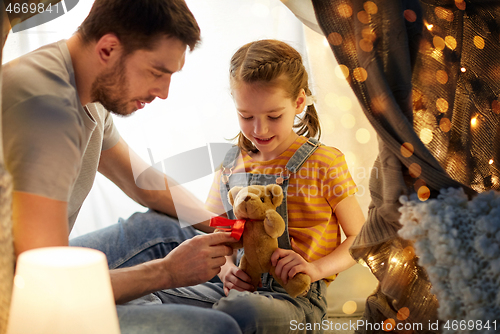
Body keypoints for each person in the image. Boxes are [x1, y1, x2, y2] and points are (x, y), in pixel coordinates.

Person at [2, 0, 242, 333]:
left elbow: (143, 182)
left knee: (169, 229)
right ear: (108, 48)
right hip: (16, 295)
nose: (164, 92)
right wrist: (166, 272)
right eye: (158, 72)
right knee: (219, 328)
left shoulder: (84, 87)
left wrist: (229, 227)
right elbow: (51, 284)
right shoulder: (47, 111)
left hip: (40, 266)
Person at [153, 39, 366, 333]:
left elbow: (361, 238)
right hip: (236, 293)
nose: (259, 129)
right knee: (149, 296)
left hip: (296, 300)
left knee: (242, 310)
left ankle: (213, 322)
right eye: (246, 116)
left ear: (299, 102)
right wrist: (227, 270)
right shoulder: (230, 164)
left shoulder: (324, 162)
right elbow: (220, 234)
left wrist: (315, 269)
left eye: (273, 116)